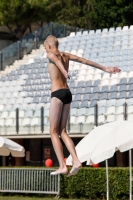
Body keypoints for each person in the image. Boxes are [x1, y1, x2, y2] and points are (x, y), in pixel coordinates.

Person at [44, 35, 121, 177]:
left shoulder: (50, 54)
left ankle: (62, 165)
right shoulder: (66, 55)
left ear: (48, 46)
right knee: (63, 131)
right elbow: (83, 60)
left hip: (57, 94)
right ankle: (76, 160)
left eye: (44, 46)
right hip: (67, 93)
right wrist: (104, 68)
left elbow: (55, 60)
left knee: (53, 132)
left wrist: (63, 71)